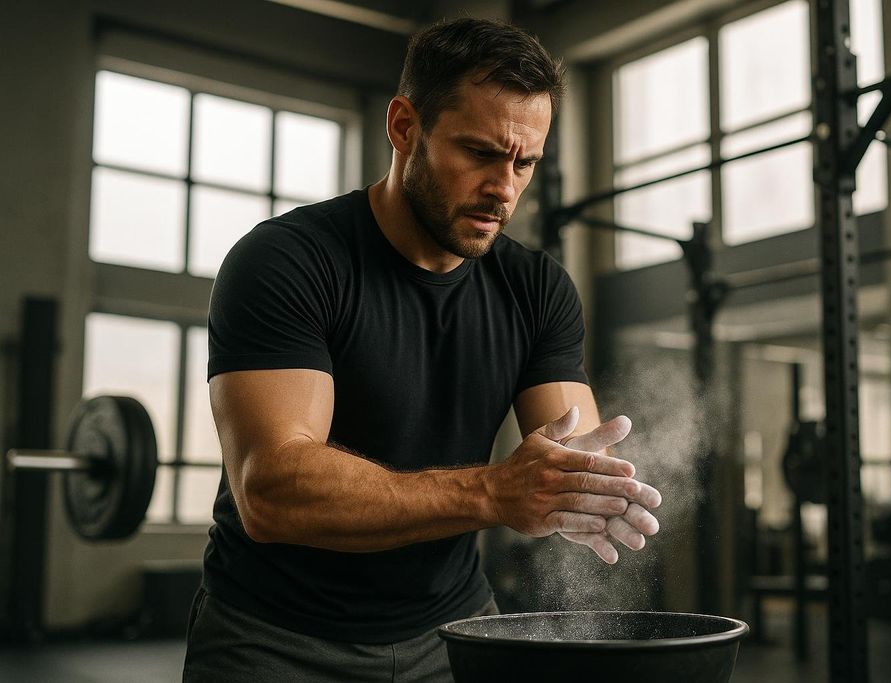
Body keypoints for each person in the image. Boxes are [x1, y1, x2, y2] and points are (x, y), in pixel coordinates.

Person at [182, 17, 663, 683]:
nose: (504, 187)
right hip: (274, 638)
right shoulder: (287, 261)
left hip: (448, 629)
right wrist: (495, 490)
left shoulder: (536, 288)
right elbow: (273, 490)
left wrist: (584, 490)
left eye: (524, 162)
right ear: (405, 127)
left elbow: (569, 455)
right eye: (480, 153)